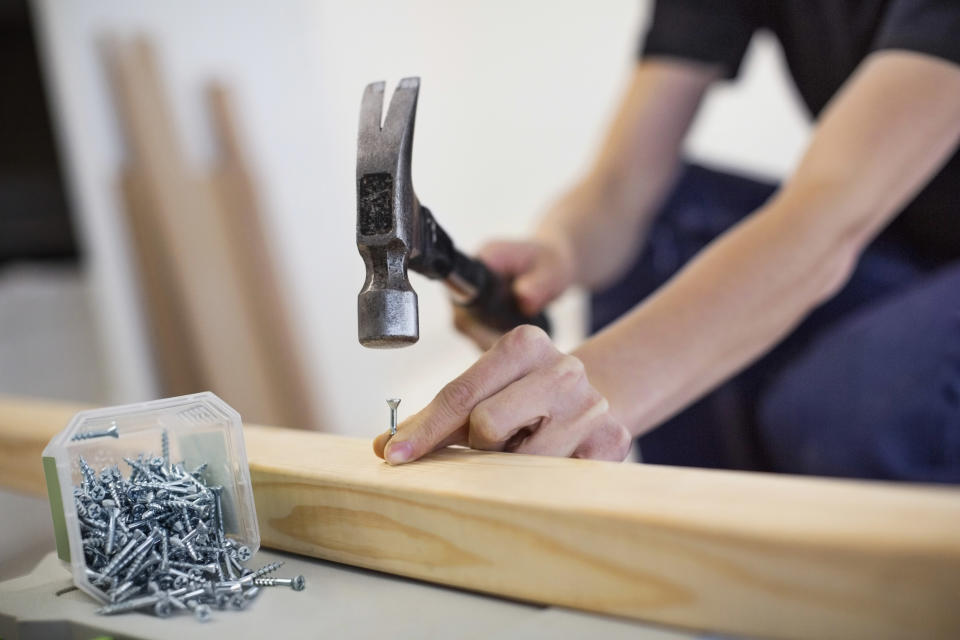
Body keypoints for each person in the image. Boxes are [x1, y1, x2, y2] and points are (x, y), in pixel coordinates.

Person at [374, 0, 960, 483]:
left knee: (841, 406)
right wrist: (558, 250)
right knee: (661, 225)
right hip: (911, 245)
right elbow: (624, 183)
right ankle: (709, 556)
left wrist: (599, 381)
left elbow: (831, 213)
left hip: (888, 236)